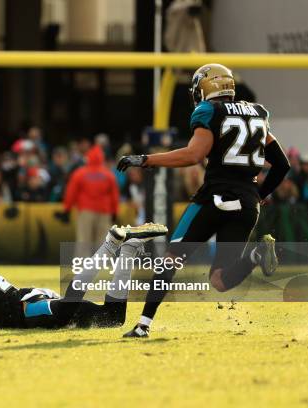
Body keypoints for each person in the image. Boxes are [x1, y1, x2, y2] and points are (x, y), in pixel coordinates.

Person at [117, 63, 290, 338]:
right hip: (246, 203)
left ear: (206, 88)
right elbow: (281, 164)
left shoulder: (209, 111)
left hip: (213, 199)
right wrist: (258, 195)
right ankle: (256, 255)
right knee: (220, 280)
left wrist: (147, 160)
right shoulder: (258, 113)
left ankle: (143, 325)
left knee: (169, 261)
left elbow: (193, 155)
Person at [0, 225, 167, 329]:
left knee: (67, 310)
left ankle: (111, 245)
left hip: (26, 309)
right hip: (26, 302)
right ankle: (130, 250)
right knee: (113, 319)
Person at [61, 145, 119, 244]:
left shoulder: (80, 173)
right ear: (102, 158)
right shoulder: (109, 175)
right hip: (104, 212)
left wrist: (67, 210)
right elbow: (114, 196)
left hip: (85, 212)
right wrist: (114, 212)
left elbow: (71, 193)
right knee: (103, 245)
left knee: (84, 243)